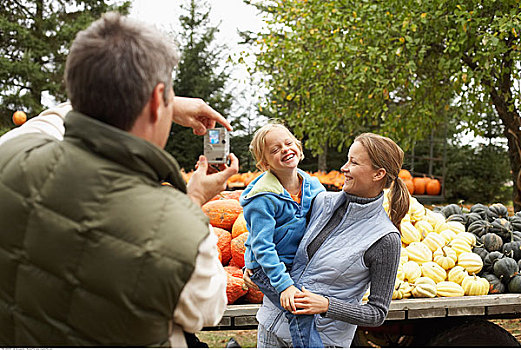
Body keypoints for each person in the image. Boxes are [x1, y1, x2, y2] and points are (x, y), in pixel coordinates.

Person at [0, 12, 239, 347]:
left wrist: (161, 100)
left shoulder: (11, 156)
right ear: (157, 101)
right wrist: (194, 203)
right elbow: (208, 310)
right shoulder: (181, 230)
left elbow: (52, 119)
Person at [244, 132, 410, 348]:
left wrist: (326, 305)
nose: (344, 168)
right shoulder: (320, 202)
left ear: (378, 174)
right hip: (271, 330)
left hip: (322, 340)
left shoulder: (385, 239)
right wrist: (252, 267)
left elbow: (376, 313)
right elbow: (272, 237)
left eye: (353, 162)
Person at [239, 122, 326, 348]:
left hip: (297, 261)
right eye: (275, 149)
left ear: (298, 146)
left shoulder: (313, 187)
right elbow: (263, 247)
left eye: (288, 143)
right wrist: (285, 286)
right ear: (264, 162)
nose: (285, 149)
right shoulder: (262, 198)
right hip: (267, 266)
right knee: (299, 308)